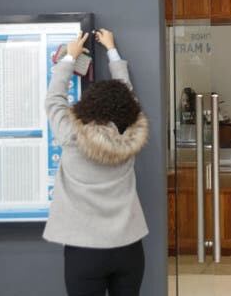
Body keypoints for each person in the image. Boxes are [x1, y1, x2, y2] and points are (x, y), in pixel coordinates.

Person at [43, 29, 149, 296]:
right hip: (129, 250)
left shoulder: (70, 135)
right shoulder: (131, 137)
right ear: (126, 111)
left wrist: (69, 58)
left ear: (86, 106)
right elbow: (129, 96)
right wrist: (112, 50)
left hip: (84, 251)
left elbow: (54, 99)